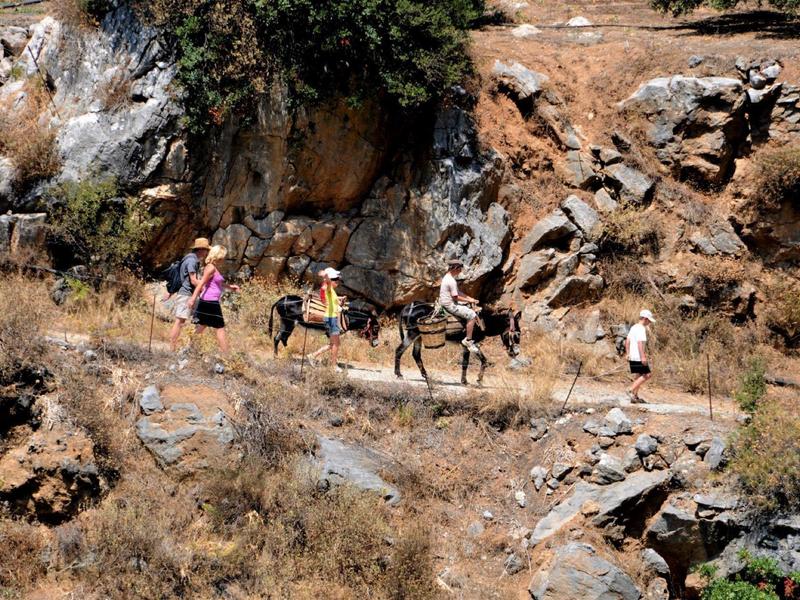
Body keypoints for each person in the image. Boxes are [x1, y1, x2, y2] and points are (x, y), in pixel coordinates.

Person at [188, 245, 239, 354]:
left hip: (208, 301)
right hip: (210, 302)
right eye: (222, 256)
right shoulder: (211, 267)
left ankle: (190, 348)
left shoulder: (212, 267)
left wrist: (230, 287)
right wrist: (192, 299)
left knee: (202, 326)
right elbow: (201, 283)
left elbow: (218, 283)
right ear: (218, 256)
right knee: (220, 328)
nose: (223, 259)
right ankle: (227, 356)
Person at [169, 238, 210, 351]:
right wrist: (204, 288)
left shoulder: (188, 258)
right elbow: (193, 280)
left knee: (198, 319)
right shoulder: (192, 261)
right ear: (201, 249)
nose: (207, 253)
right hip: (186, 294)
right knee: (180, 321)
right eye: (206, 250)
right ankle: (172, 349)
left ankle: (192, 347)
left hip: (187, 294)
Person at [440, 258, 480, 354]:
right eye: (460, 268)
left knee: (468, 306)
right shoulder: (451, 281)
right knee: (472, 315)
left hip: (445, 301)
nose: (460, 271)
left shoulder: (447, 277)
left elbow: (457, 292)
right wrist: (469, 300)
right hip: (450, 304)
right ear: (455, 268)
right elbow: (456, 297)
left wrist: (470, 299)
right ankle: (468, 340)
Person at [307, 267, 344, 372]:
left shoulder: (331, 291)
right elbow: (327, 282)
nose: (337, 281)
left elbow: (332, 303)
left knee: (333, 344)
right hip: (331, 318)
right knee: (336, 344)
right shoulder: (328, 287)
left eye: (337, 279)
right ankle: (333, 366)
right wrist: (326, 276)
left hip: (332, 317)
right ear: (330, 280)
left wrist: (339, 304)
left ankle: (313, 355)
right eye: (335, 279)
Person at [625, 309, 655, 403]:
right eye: (649, 320)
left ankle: (635, 396)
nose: (649, 322)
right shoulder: (641, 328)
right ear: (645, 318)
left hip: (632, 355)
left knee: (638, 375)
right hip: (638, 356)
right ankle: (630, 390)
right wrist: (643, 357)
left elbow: (627, 341)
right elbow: (640, 343)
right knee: (647, 374)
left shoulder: (634, 327)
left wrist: (627, 353)